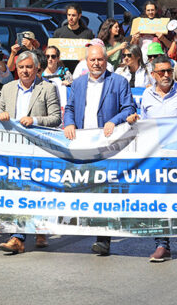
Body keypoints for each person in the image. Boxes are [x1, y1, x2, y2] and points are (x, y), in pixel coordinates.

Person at [125, 56, 177, 262]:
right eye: (161, 72)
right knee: (157, 199)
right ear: (153, 75)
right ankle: (162, 244)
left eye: (169, 71)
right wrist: (136, 121)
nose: (166, 75)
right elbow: (145, 123)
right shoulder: (147, 96)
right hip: (156, 157)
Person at [63, 44, 136, 256]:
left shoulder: (119, 82)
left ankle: (103, 239)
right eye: (92, 60)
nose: (96, 63)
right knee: (87, 190)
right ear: (86, 62)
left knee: (105, 192)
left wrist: (114, 121)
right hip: (83, 146)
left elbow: (129, 108)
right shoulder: (77, 84)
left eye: (100, 60)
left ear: (106, 61)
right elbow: (70, 108)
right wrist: (69, 122)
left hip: (108, 146)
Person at [0, 52, 61, 254]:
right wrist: (1, 115)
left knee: (37, 190)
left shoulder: (47, 88)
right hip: (14, 148)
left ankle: (40, 229)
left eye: (29, 67)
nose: (24, 70)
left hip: (38, 148)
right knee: (18, 190)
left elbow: (56, 118)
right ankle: (18, 237)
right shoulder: (7, 88)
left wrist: (36, 120)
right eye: (21, 67)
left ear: (36, 68)